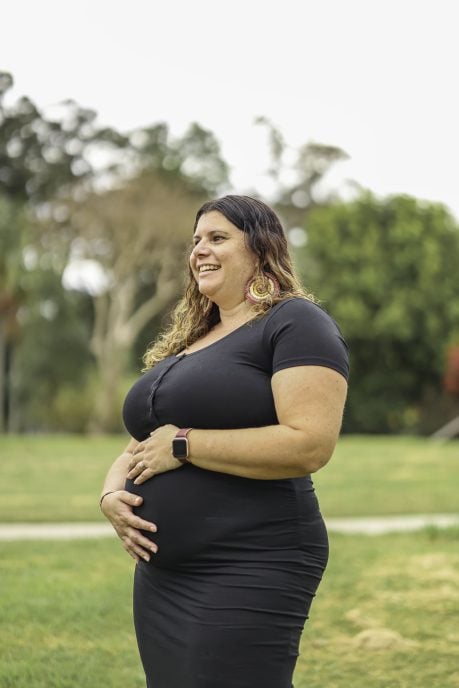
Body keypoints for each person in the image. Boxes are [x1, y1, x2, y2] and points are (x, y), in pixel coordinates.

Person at [100, 194, 349, 688]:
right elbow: (143, 440)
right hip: (163, 575)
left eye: (218, 238)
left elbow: (309, 444)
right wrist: (111, 492)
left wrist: (184, 444)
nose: (199, 251)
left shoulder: (294, 323)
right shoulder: (193, 340)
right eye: (195, 241)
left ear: (260, 249)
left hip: (252, 559)